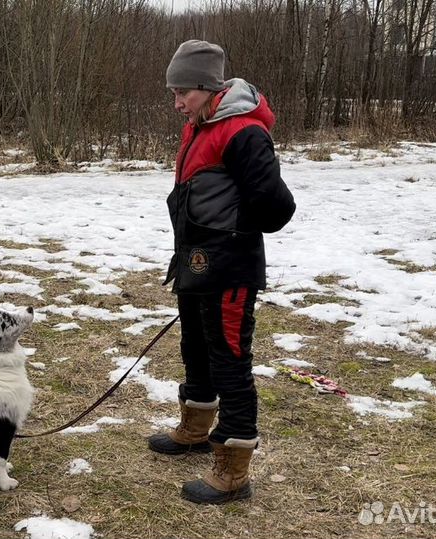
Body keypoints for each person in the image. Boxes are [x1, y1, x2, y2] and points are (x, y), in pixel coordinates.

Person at [148, 40, 296, 505]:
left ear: (207, 87)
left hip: (229, 269)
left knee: (230, 361)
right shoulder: (200, 124)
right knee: (196, 346)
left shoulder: (244, 132)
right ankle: (194, 428)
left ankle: (233, 470)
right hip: (195, 263)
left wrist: (228, 236)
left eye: (182, 93)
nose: (176, 103)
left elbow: (276, 208)